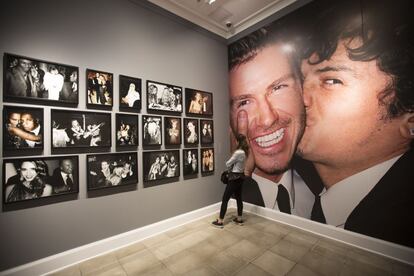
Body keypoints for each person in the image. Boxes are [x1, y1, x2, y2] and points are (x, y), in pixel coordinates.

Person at [296, 0, 414, 247]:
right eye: (300, 80)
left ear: (409, 119)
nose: (299, 98)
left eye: (331, 81)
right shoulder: (298, 185)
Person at [228, 27, 320, 218]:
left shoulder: (322, 180)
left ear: (303, 88)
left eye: (278, 88)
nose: (268, 119)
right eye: (244, 102)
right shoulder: (222, 199)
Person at [212, 134, 249, 228]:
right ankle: (239, 219)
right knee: (239, 198)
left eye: (236, 141)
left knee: (225, 199)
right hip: (241, 177)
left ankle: (220, 221)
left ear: (238, 141)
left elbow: (228, 163)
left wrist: (231, 162)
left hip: (234, 178)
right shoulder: (245, 152)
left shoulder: (238, 152)